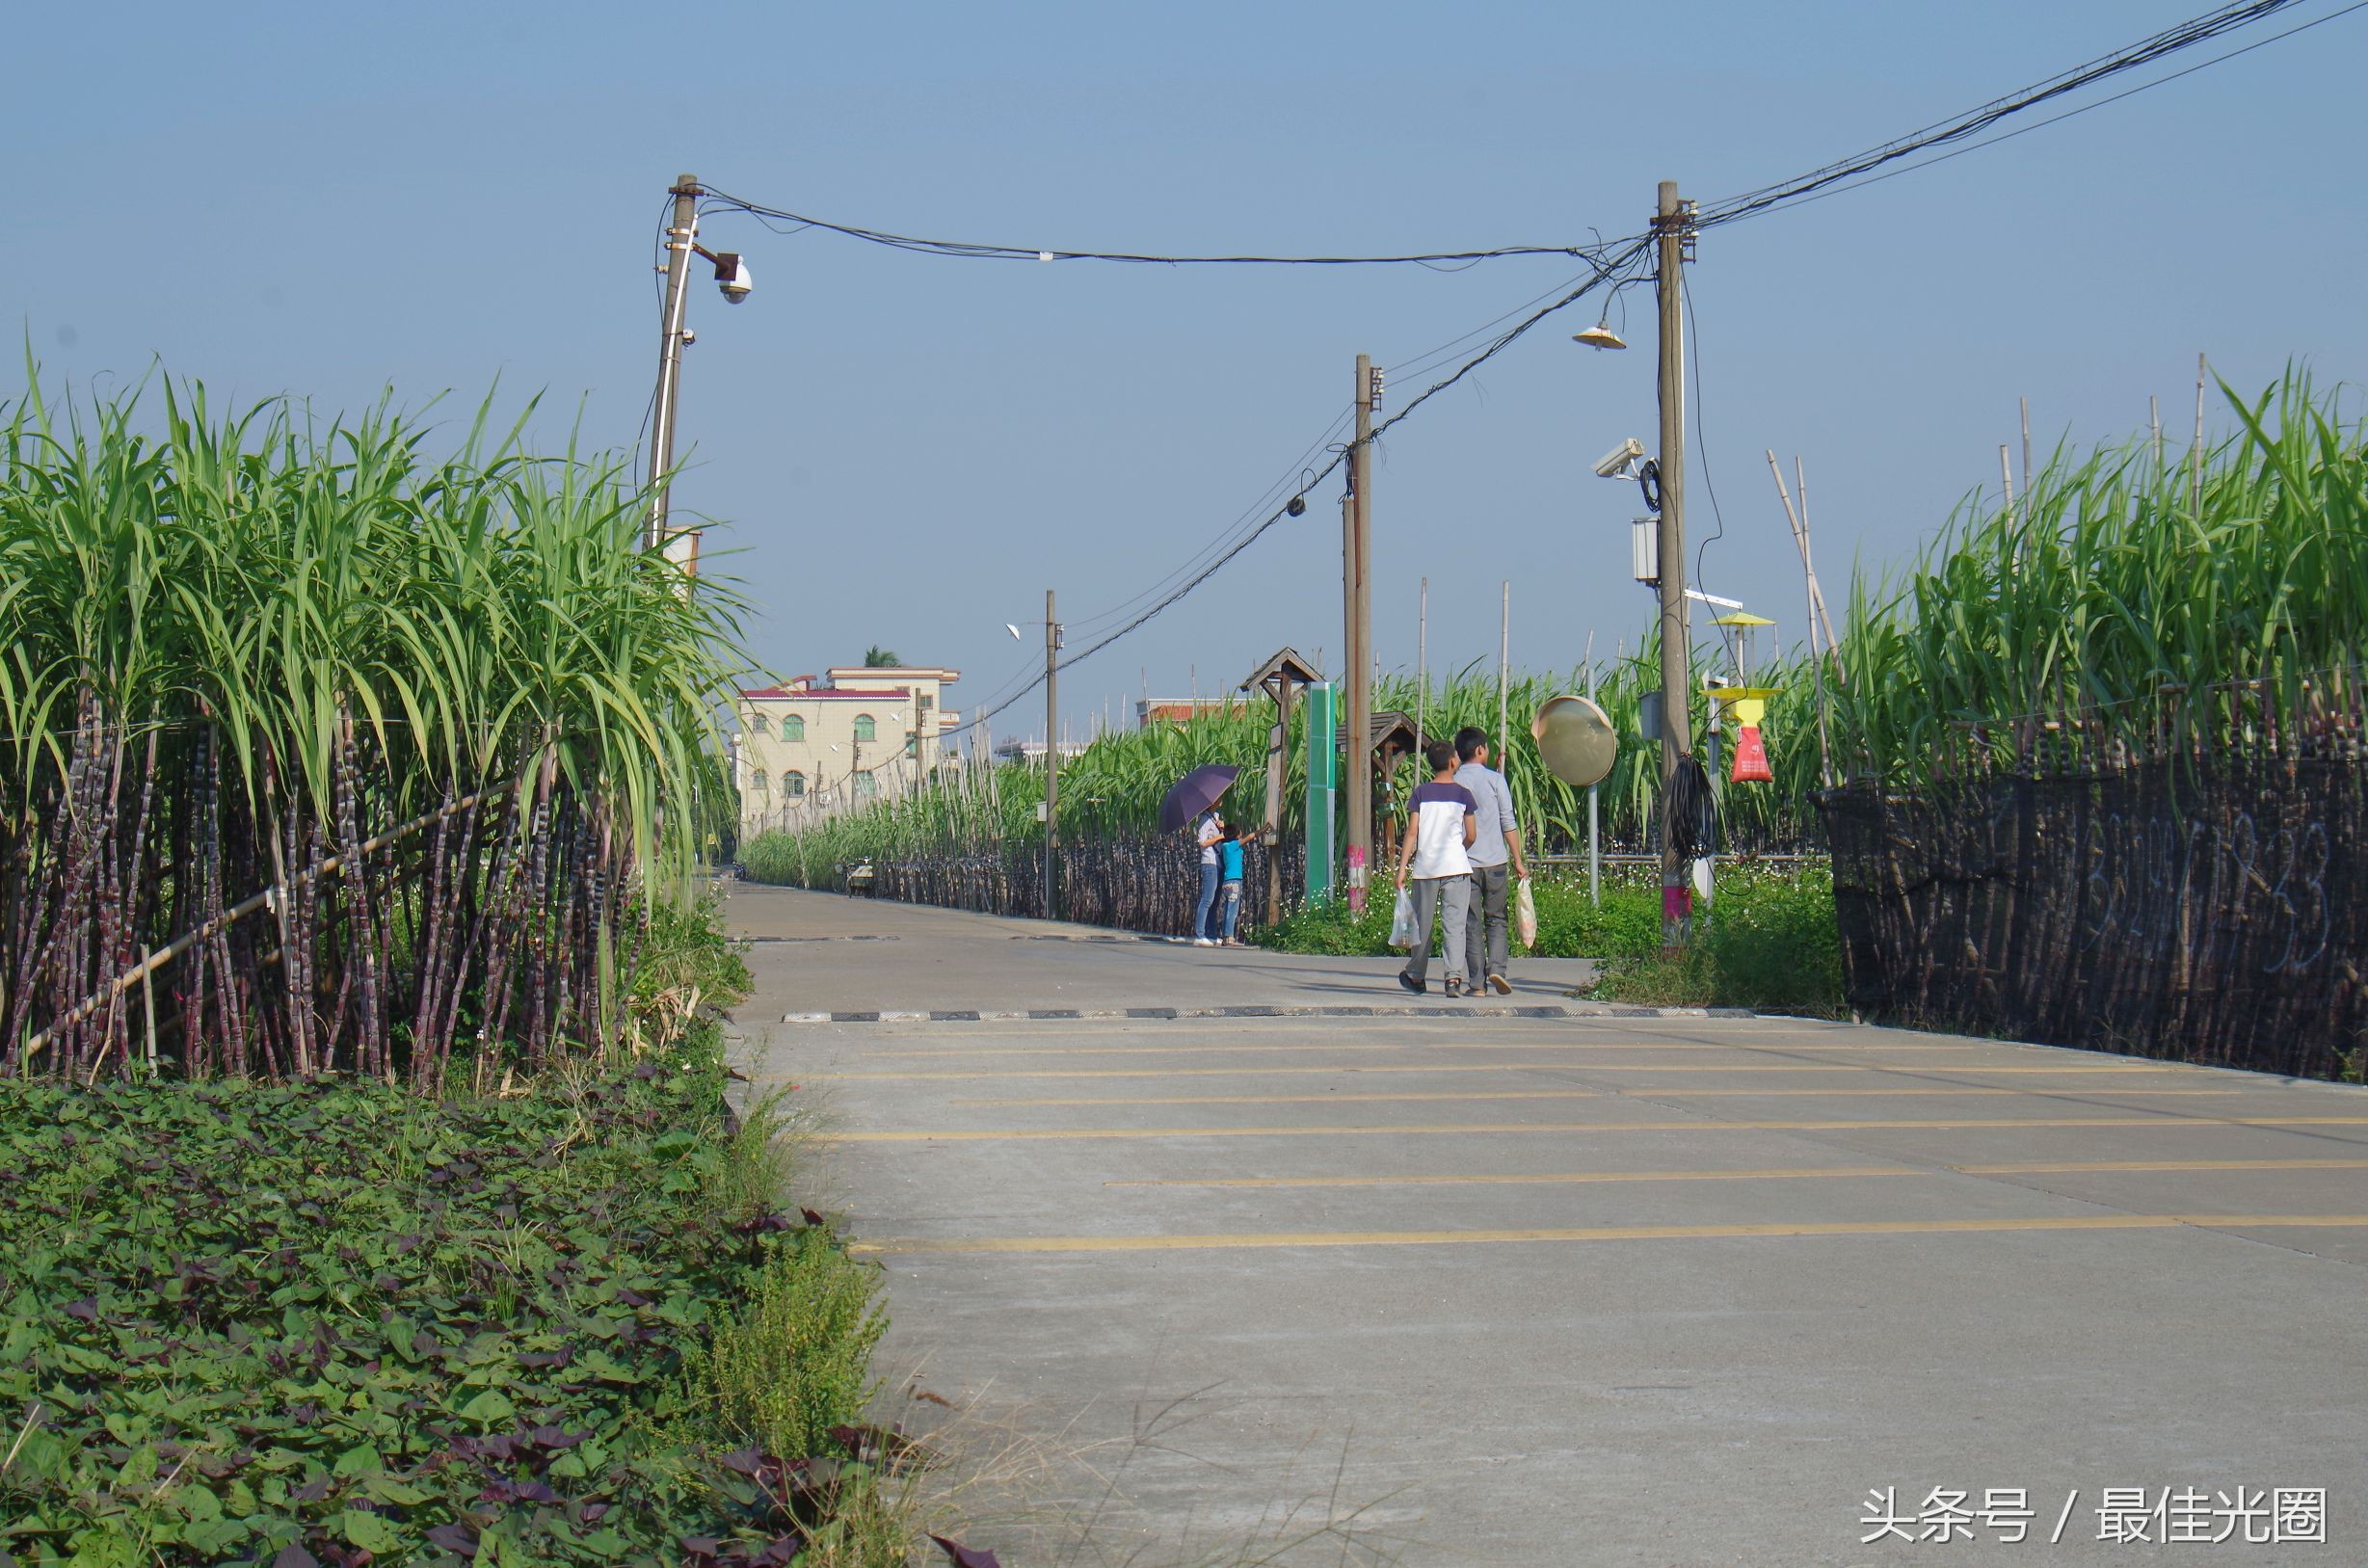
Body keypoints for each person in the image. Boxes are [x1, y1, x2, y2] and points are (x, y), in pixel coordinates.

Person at [1393, 739, 1478, 996]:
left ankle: (1416, 974)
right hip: (1456, 867)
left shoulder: (1421, 793)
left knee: (1423, 925)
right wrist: (1457, 850)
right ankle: (1453, 979)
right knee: (1454, 925)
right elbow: (1472, 835)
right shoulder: (1464, 794)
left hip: (1426, 868)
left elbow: (1411, 832)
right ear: (1453, 762)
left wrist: (1402, 868)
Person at [1453, 725, 1530, 996]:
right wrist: (1518, 860)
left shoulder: (1454, 781)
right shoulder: (1496, 780)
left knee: (1471, 922)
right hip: (1496, 862)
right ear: (1480, 750)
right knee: (1497, 919)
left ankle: (1476, 984)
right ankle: (1497, 967)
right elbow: (1507, 822)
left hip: (1465, 864)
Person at [1191, 808, 1225, 946]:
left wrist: (1223, 828)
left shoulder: (1216, 816)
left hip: (1218, 861)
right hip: (1209, 861)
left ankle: (1211, 934)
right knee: (1207, 899)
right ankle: (1200, 934)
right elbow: (1203, 842)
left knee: (1215, 901)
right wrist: (1220, 836)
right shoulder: (1205, 818)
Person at [1217, 824, 1247, 945]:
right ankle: (1229, 937)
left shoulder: (1224, 846)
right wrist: (1262, 830)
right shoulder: (1234, 845)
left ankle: (1225, 936)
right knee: (1232, 910)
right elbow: (1250, 837)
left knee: (1226, 910)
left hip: (1226, 881)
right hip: (1235, 881)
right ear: (1236, 835)